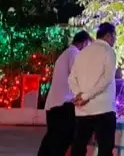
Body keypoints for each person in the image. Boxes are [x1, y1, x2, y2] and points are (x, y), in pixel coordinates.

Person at [37, 31, 92, 156]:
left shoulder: (66, 53)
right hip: (63, 105)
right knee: (63, 139)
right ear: (83, 43)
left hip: (54, 104)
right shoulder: (75, 54)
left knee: (52, 139)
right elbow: (78, 77)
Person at [68, 23, 118, 156]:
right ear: (108, 35)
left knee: (78, 147)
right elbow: (106, 80)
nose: (115, 40)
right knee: (105, 148)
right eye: (115, 36)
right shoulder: (108, 51)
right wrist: (85, 96)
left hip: (83, 110)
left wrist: (79, 95)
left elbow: (71, 78)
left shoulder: (82, 53)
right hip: (103, 109)